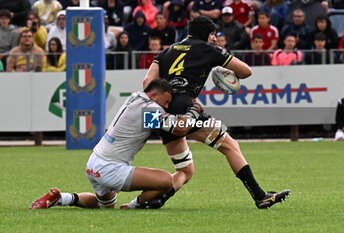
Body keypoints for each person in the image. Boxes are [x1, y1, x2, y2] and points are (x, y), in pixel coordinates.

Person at [123, 15, 290, 209]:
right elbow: (245, 71)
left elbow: (147, 83)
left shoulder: (168, 50)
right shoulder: (210, 50)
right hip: (186, 109)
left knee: (185, 170)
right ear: (207, 34)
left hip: (164, 113)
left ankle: (152, 200)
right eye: (213, 35)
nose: (215, 39)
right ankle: (260, 196)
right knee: (230, 146)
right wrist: (220, 61)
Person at [29, 79, 204, 209]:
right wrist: (195, 110)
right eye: (165, 102)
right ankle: (133, 206)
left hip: (94, 163)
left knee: (104, 204)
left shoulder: (135, 98)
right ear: (153, 95)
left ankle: (61, 198)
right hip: (110, 168)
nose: (166, 106)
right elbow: (179, 129)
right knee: (166, 180)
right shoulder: (149, 109)